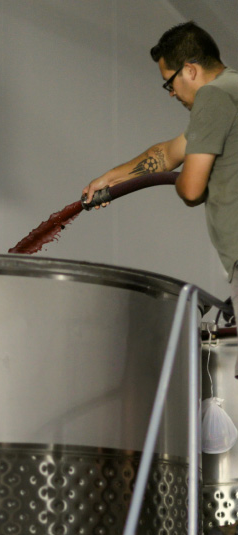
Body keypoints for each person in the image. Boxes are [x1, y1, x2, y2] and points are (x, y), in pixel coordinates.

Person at [82, 21, 238, 375]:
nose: (171, 93)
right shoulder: (232, 90)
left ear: (191, 70)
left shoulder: (212, 98)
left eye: (170, 83)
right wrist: (111, 178)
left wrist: (182, 181)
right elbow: (169, 153)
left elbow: (191, 188)